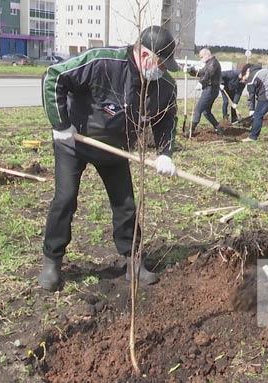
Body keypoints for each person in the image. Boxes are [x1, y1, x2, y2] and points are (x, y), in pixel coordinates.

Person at [39, 25, 180, 291]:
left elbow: (166, 120)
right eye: (161, 63)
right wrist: (61, 125)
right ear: (144, 53)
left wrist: (165, 154)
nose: (162, 70)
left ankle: (133, 261)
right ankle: (52, 261)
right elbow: (54, 77)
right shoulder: (103, 62)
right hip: (75, 141)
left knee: (125, 204)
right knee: (65, 199)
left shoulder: (164, 86)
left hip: (116, 149)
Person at [240, 63, 268, 142]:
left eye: (244, 79)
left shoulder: (251, 77)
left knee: (258, 115)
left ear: (246, 72)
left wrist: (252, 110)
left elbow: (251, 96)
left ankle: (253, 136)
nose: (245, 82)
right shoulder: (263, 71)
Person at [187, 48, 223, 136]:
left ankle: (190, 131)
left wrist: (201, 83)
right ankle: (218, 127)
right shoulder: (209, 63)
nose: (201, 59)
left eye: (201, 57)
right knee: (206, 111)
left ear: (207, 54)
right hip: (211, 90)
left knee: (198, 109)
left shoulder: (213, 63)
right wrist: (190, 70)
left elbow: (208, 74)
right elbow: (202, 73)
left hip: (210, 90)